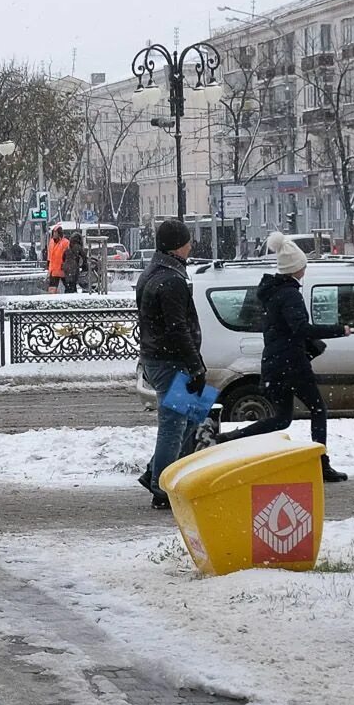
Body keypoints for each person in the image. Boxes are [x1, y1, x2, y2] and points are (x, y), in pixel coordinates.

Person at [214, 232, 351, 482]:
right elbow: (300, 328)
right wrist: (338, 330)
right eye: (303, 265)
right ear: (296, 268)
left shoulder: (272, 292)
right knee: (318, 409)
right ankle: (321, 464)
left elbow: (284, 328)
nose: (305, 269)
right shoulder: (290, 294)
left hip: (275, 363)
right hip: (292, 364)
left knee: (281, 419)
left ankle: (226, 439)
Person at [136, 218, 205, 509]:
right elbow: (178, 328)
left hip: (157, 357)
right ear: (178, 246)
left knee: (194, 414)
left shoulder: (153, 272)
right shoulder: (172, 280)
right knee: (174, 424)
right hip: (171, 361)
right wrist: (196, 365)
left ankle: (155, 472)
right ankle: (161, 489)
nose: (191, 246)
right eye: (188, 241)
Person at [46, 225, 69, 293]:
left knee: (68, 287)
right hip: (53, 269)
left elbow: (67, 255)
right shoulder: (51, 242)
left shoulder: (65, 242)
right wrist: (48, 264)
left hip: (62, 268)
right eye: (53, 232)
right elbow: (50, 255)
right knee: (52, 289)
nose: (54, 234)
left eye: (56, 232)